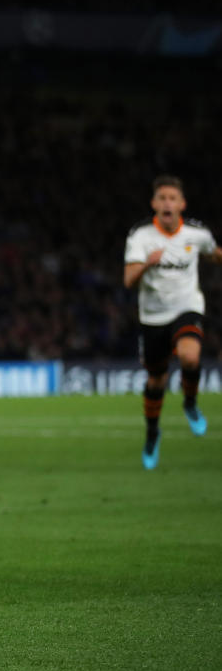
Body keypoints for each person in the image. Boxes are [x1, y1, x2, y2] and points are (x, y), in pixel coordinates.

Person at [123, 175, 220, 470]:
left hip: (187, 306)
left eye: (172, 198)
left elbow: (213, 252)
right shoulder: (140, 236)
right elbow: (128, 280)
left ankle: (190, 404)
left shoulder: (196, 233)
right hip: (153, 317)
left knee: (190, 357)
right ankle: (153, 432)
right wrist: (147, 264)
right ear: (154, 203)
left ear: (181, 204)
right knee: (157, 381)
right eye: (162, 198)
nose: (167, 203)